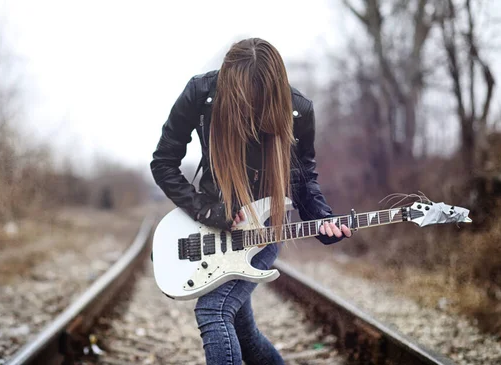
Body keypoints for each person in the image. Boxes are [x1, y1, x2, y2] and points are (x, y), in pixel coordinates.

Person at [150, 38, 352, 365]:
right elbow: (163, 162)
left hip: (264, 228)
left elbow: (303, 178)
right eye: (243, 102)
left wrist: (322, 219)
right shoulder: (201, 94)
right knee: (244, 335)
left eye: (259, 103)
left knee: (213, 311)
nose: (251, 112)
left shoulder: (298, 109)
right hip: (214, 224)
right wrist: (207, 209)